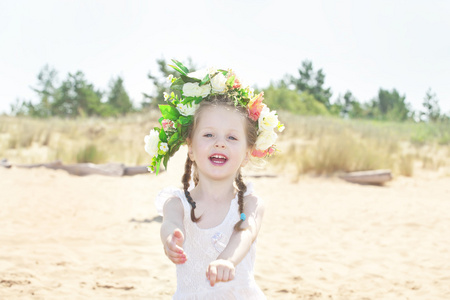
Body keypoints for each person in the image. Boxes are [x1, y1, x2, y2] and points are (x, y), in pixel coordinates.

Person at [145, 60, 284, 299]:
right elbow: (171, 224)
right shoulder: (177, 203)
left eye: (231, 137)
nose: (219, 142)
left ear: (246, 154)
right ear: (190, 148)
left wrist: (227, 261)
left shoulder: (250, 204)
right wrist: (170, 239)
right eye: (208, 134)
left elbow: (244, 232)